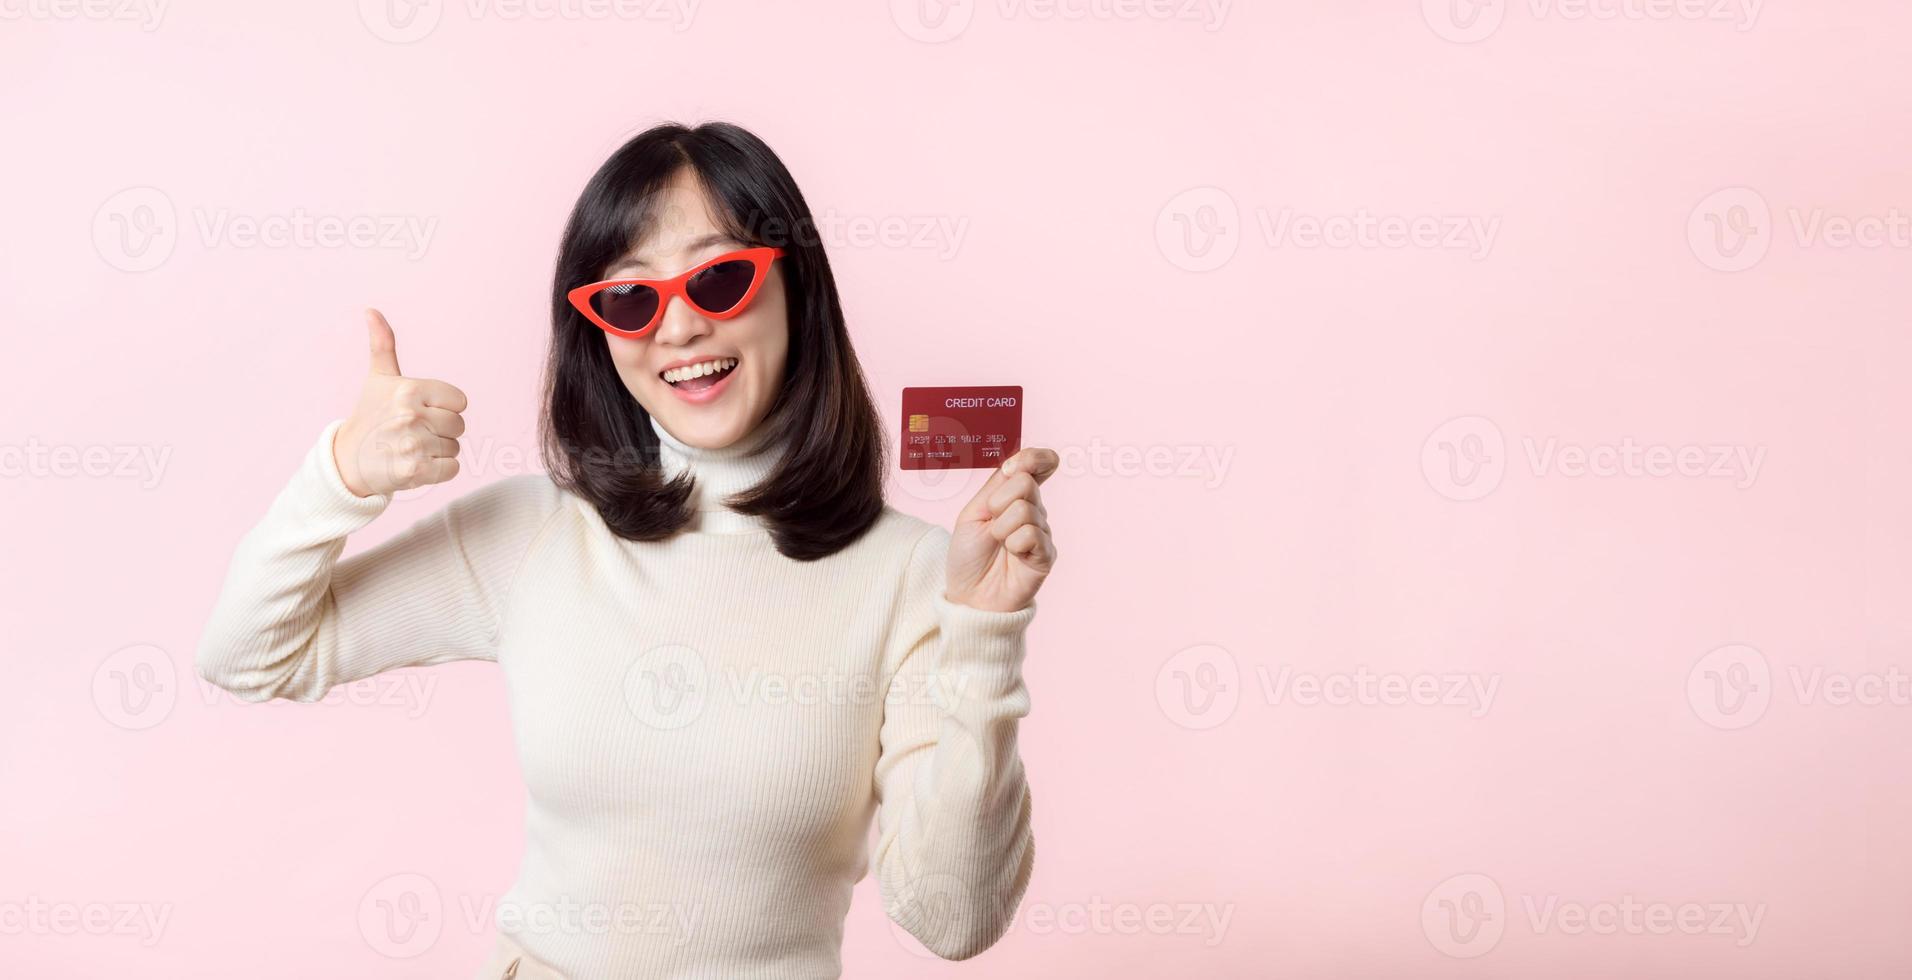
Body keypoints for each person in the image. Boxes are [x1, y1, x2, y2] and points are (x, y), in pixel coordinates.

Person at [195, 120, 1060, 979]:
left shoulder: (912, 573)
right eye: (630, 298)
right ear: (599, 335)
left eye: (719, 279)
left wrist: (985, 632)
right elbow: (249, 657)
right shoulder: (533, 532)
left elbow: (953, 918)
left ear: (796, 289)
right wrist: (338, 477)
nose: (676, 329)